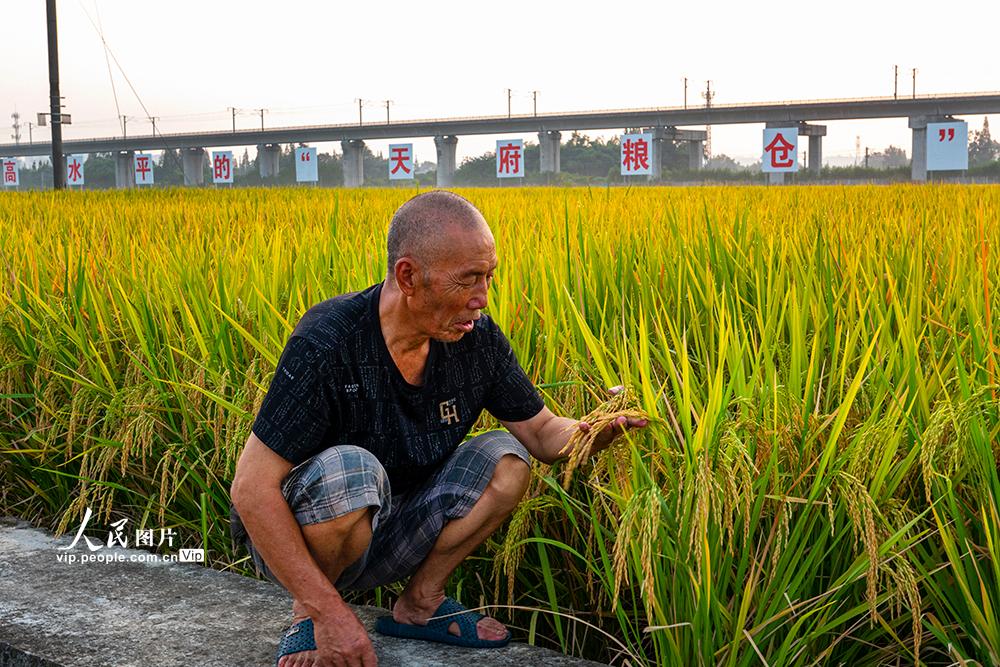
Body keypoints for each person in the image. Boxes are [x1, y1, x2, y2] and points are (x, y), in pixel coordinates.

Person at [229, 190, 647, 667]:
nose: (482, 298)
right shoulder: (330, 340)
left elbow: (542, 432)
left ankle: (420, 603)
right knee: (353, 470)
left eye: (488, 277)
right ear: (408, 276)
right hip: (307, 537)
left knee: (507, 458)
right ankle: (308, 613)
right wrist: (330, 615)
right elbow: (251, 489)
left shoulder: (476, 339)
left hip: (396, 526)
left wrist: (593, 431)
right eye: (468, 280)